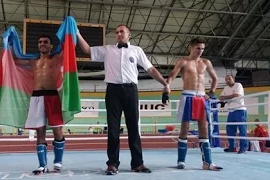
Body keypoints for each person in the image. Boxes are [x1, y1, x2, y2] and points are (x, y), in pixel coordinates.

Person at [77, 24, 170, 175]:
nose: (119, 34)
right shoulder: (108, 50)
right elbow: (87, 50)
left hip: (131, 90)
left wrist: (165, 83)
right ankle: (112, 164)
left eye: (122, 31)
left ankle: (138, 163)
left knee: (134, 128)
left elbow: (150, 69)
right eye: (117, 32)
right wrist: (77, 33)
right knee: (113, 129)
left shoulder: (137, 50)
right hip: (113, 91)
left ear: (129, 34)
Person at [167, 37, 223, 171]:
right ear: (191, 47)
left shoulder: (205, 62)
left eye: (202, 49)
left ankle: (207, 162)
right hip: (188, 96)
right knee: (184, 129)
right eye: (198, 48)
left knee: (204, 129)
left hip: (201, 97)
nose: (200, 51)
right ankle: (181, 160)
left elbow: (215, 79)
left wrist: (211, 93)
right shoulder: (183, 61)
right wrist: (166, 90)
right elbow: (171, 76)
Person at [15, 35, 65, 175]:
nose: (42, 44)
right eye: (40, 42)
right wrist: (10, 42)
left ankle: (58, 162)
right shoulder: (32, 61)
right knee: (40, 132)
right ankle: (42, 165)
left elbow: (69, 49)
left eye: (45, 42)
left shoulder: (56, 59)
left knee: (57, 131)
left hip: (52, 96)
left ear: (51, 46)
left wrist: (70, 30)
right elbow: (13, 59)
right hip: (36, 97)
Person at [219, 75, 247, 153]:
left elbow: (236, 95)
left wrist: (225, 97)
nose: (228, 80)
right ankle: (232, 147)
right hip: (231, 111)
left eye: (229, 79)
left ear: (233, 79)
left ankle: (243, 148)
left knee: (242, 130)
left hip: (240, 110)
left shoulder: (238, 85)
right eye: (226, 79)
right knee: (230, 130)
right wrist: (229, 97)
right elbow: (220, 97)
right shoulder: (225, 88)